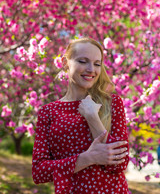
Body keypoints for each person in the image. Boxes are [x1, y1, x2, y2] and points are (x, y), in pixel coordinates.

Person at [32, 37, 130, 194]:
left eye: (97, 64)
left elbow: (119, 164)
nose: (91, 69)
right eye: (83, 61)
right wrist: (87, 158)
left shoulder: (112, 103)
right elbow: (38, 172)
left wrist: (92, 117)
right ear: (65, 63)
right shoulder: (48, 112)